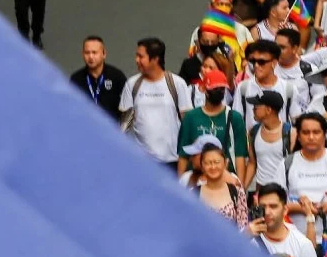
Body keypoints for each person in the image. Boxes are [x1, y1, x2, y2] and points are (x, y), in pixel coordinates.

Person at [120, 38, 193, 170]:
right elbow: (124, 125)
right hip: (141, 164)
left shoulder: (176, 84)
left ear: (155, 59)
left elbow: (188, 123)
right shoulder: (132, 85)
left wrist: (188, 159)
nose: (136, 60)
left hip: (173, 161)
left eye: (141, 56)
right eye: (136, 56)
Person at [177, 69, 248, 180]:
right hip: (197, 178)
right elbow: (183, 155)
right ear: (205, 89)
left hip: (225, 178)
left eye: (222, 89)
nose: (219, 92)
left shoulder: (234, 117)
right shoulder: (191, 117)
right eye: (215, 89)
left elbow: (240, 156)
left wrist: (240, 188)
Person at [250, 182, 318, 257]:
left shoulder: (303, 244)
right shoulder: (249, 242)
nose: (267, 212)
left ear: (285, 210)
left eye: (273, 206)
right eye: (263, 207)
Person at [70, 36, 127, 122]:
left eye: (94, 52)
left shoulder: (117, 76)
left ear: (104, 54)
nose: (91, 57)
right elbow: (70, 107)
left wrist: (122, 129)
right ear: (82, 54)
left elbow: (129, 107)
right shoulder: (76, 79)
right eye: (87, 53)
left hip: (110, 131)